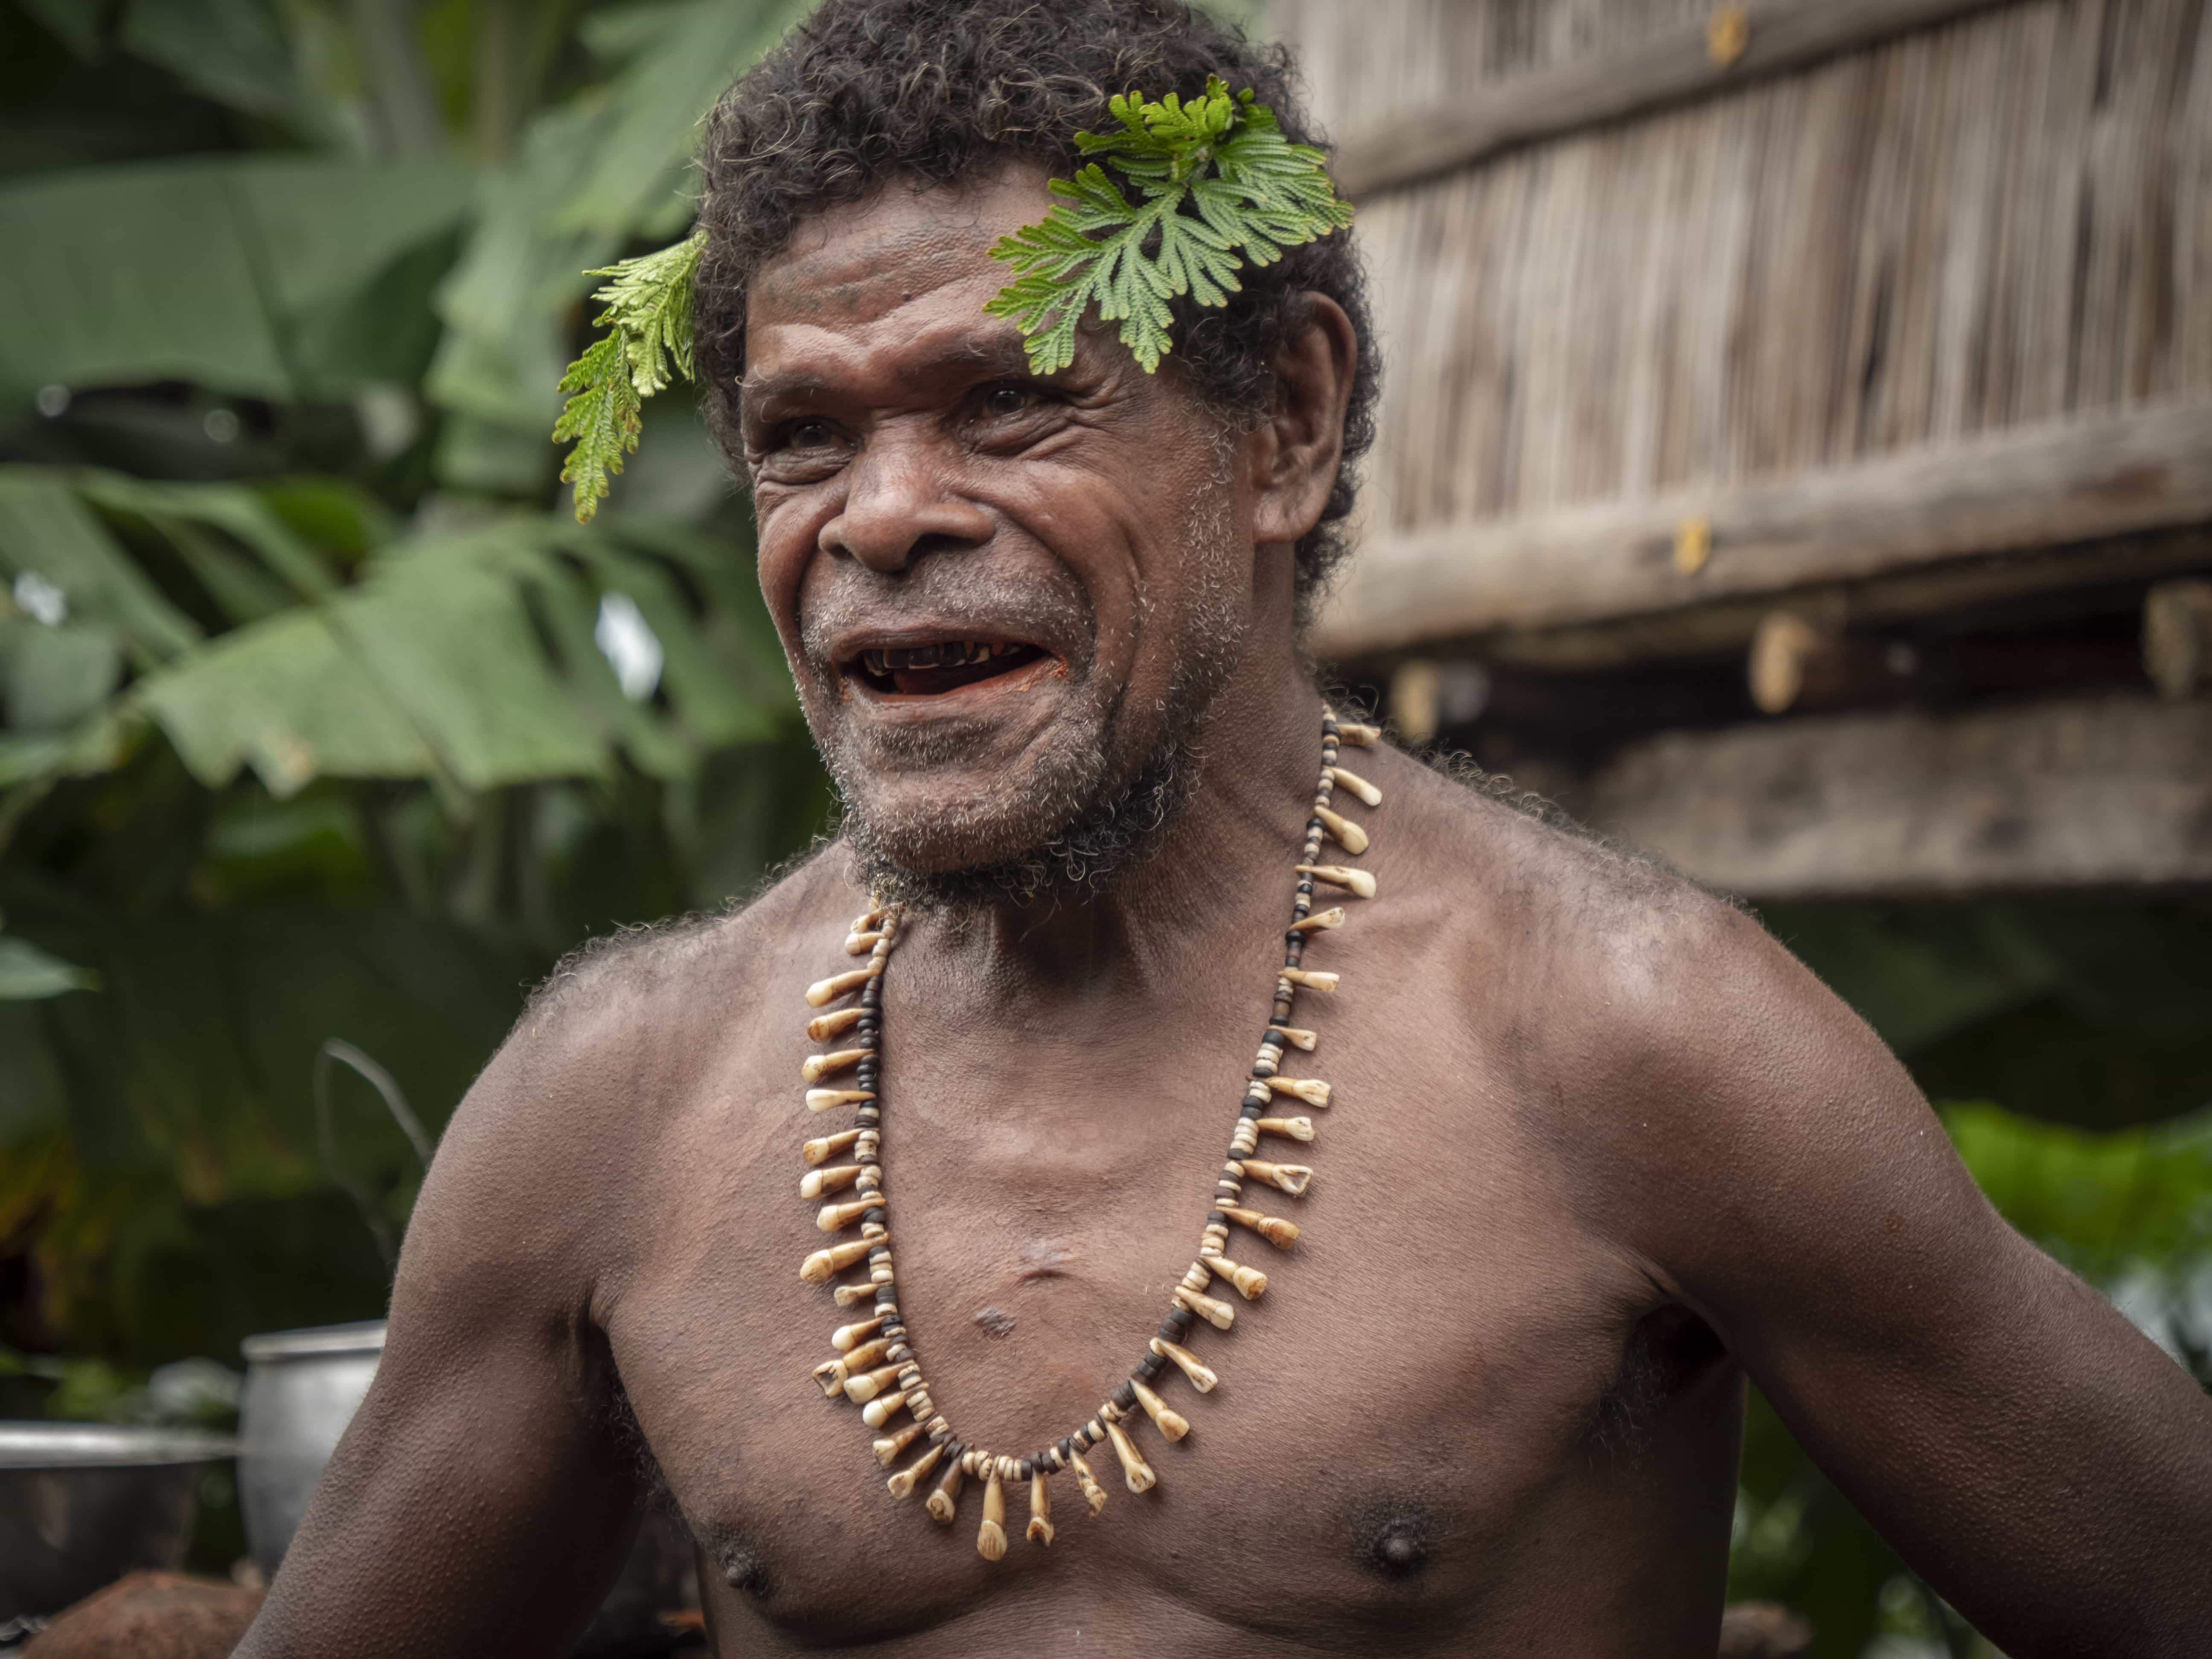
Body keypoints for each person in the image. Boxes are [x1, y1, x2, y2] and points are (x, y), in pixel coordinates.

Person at [236, 3, 2212, 1654]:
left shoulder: (1627, 1035)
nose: (881, 515)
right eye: (804, 435)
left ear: (1283, 427)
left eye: (1006, 399)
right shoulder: (623, 1101)